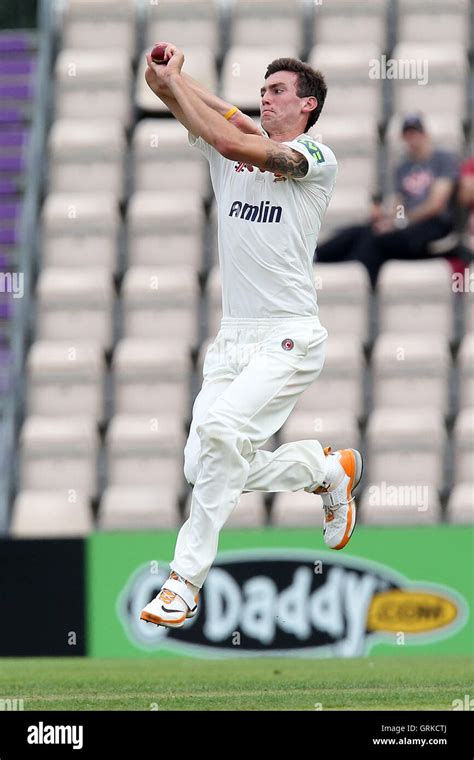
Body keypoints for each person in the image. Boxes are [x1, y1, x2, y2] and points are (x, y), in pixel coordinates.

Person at [139, 43, 363, 629]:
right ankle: (320, 470)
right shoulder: (231, 141)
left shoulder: (315, 156)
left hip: (290, 336)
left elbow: (234, 139)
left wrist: (205, 100)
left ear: (307, 105)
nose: (266, 97)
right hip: (233, 338)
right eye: (262, 90)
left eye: (279, 91)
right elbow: (180, 103)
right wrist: (166, 77)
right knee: (203, 463)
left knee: (218, 435)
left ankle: (183, 581)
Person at [315, 115, 460, 286]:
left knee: (374, 241)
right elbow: (398, 203)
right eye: (408, 135)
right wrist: (388, 220)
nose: (413, 139)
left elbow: (436, 204)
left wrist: (402, 222)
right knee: (360, 231)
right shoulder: (403, 166)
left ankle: (354, 281)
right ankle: (316, 257)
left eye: (416, 133)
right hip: (409, 226)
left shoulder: (442, 159)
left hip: (434, 226)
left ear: (425, 134)